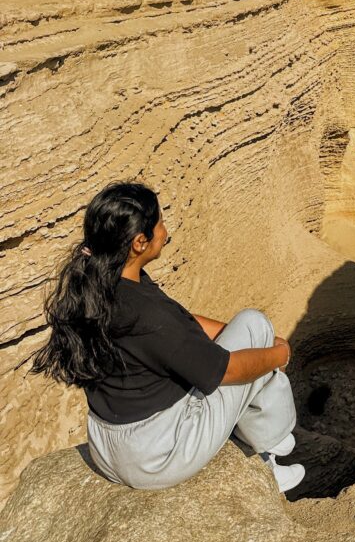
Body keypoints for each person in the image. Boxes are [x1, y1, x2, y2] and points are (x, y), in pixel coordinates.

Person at [31, 181, 305, 494]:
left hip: (107, 449)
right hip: (157, 456)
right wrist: (278, 355)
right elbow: (225, 370)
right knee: (257, 328)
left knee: (251, 333)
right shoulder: (146, 314)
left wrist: (239, 337)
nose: (165, 229)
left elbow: (182, 323)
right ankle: (269, 453)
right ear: (138, 242)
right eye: (159, 222)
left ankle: (273, 437)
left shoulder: (101, 282)